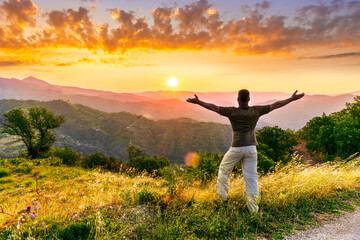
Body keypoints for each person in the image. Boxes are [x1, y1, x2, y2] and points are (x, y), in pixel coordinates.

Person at [186, 89, 305, 212]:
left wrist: (198, 102)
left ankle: (223, 198)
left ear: (238, 99)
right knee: (251, 179)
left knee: (224, 170)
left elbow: (214, 107)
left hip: (236, 148)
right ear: (249, 99)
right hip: (251, 149)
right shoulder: (256, 111)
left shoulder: (232, 112)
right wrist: (292, 99)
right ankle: (253, 210)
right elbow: (276, 105)